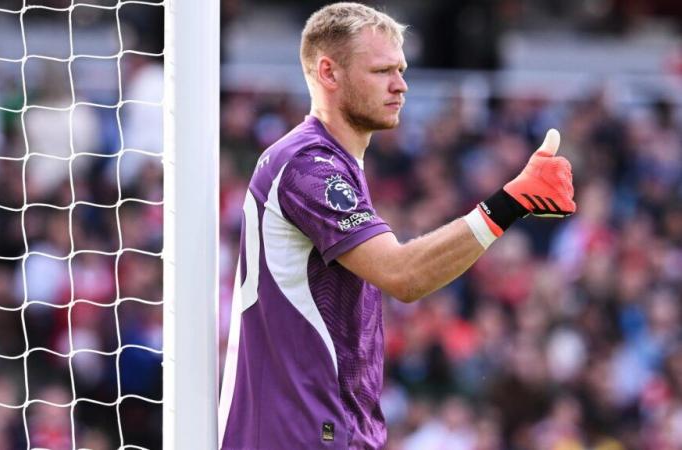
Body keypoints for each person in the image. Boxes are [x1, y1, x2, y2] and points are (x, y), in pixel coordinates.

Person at [218, 3, 576, 449]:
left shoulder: (329, 162)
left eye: (401, 69)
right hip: (299, 435)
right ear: (329, 73)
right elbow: (404, 275)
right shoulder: (308, 166)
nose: (401, 85)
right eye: (382, 70)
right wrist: (512, 202)